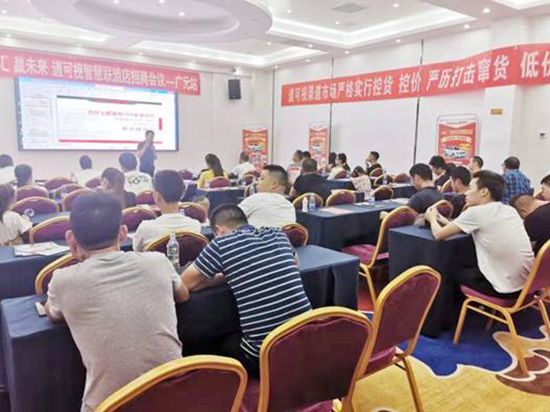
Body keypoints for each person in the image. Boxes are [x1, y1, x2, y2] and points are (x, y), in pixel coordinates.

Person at [45, 193, 188, 412]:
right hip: (176, 399)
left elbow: (53, 313)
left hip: (110, 406)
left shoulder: (63, 280)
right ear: (123, 233)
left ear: (70, 239)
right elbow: (183, 295)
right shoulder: (158, 261)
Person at [181, 205, 311, 378]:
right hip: (306, 339)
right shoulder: (278, 234)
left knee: (215, 341)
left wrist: (225, 275)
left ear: (219, 230)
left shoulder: (221, 244)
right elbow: (296, 266)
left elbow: (184, 284)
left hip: (265, 355)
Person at [425, 170, 534, 298]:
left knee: (449, 269)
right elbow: (475, 225)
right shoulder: (509, 210)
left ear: (484, 192)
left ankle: (458, 310)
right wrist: (445, 221)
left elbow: (438, 235)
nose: (466, 193)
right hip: (527, 285)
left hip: (505, 289)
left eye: (470, 188)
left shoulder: (476, 212)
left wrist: (431, 218)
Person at [133, 170, 201, 252]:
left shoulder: (145, 228)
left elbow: (137, 252)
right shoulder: (195, 226)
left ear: (156, 196)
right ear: (182, 194)